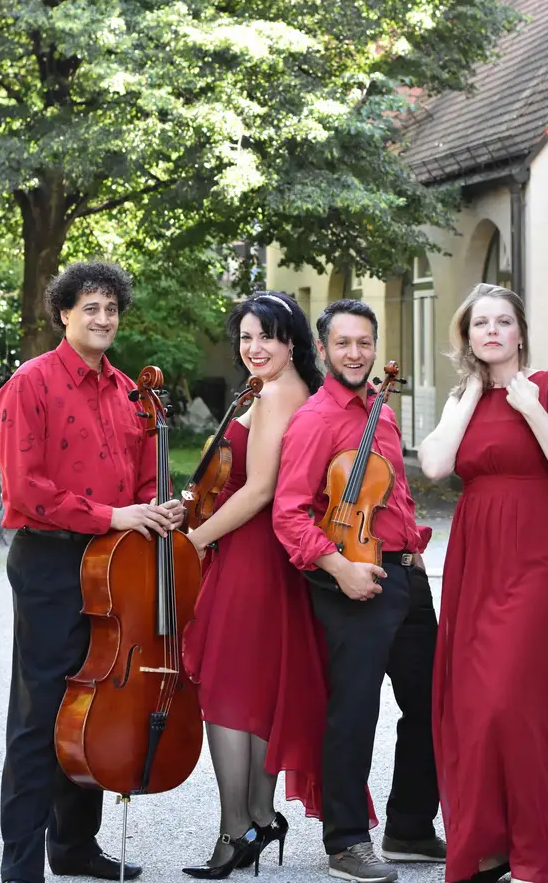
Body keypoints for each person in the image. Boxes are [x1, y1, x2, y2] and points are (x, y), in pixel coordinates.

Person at [0, 260, 188, 883]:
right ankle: (21, 863)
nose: (103, 319)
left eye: (111, 309)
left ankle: (75, 849)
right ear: (64, 314)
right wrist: (115, 512)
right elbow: (27, 490)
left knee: (99, 697)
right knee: (38, 713)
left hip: (113, 562)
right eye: (91, 309)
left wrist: (160, 506)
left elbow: (138, 483)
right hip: (51, 560)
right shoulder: (31, 383)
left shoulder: (131, 391)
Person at [415, 284, 548, 883]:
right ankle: (489, 847)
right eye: (479, 324)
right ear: (467, 336)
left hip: (537, 553)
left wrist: (530, 408)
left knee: (513, 700)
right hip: (476, 554)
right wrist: (471, 395)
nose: (492, 331)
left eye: (503, 322)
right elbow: (437, 465)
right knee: (472, 704)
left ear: (520, 331)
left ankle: (538, 851)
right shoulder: (463, 396)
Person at [271, 298, 444, 883]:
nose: (355, 353)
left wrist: (414, 540)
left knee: (432, 701)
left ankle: (410, 828)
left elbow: (391, 493)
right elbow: (289, 514)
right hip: (351, 577)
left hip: (405, 574)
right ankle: (346, 841)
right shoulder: (316, 420)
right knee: (355, 711)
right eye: (343, 343)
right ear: (322, 349)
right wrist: (339, 566)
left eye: (364, 342)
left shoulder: (383, 412)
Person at [178, 291, 335, 878]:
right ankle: (258, 819)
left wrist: (194, 540)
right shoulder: (278, 391)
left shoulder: (275, 395)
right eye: (245, 337)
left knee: (225, 686)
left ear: (290, 340)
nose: (253, 348)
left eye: (265, 335)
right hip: (260, 552)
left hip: (256, 552)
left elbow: (261, 489)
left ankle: (236, 830)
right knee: (255, 690)